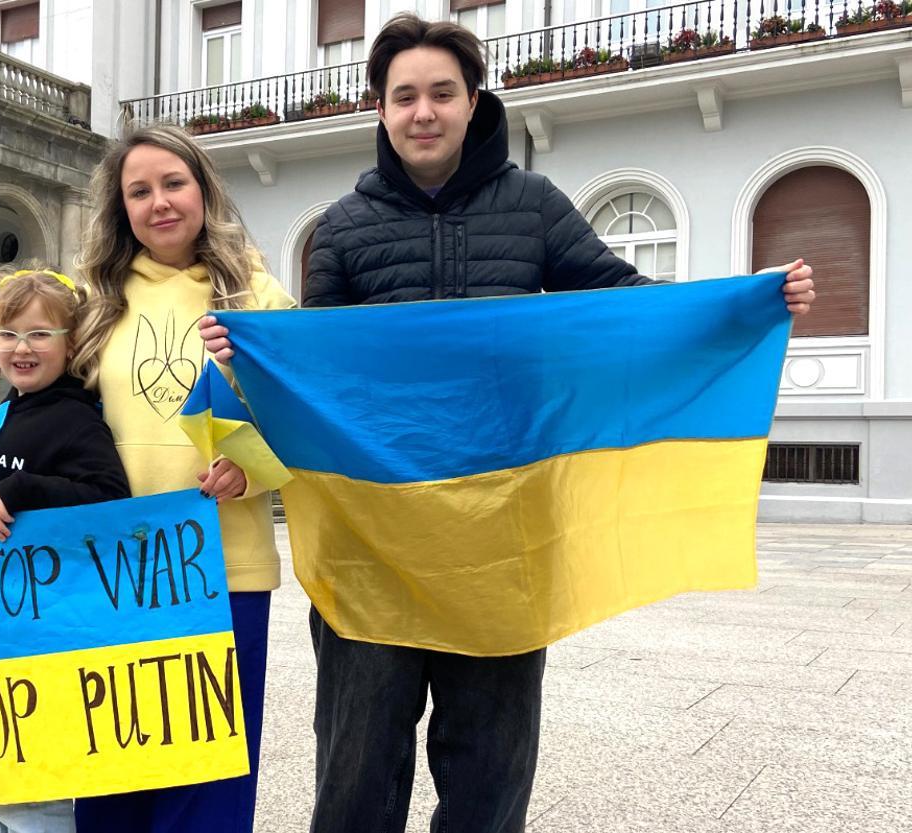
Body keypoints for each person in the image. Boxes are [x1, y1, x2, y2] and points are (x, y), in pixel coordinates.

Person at [198, 13, 817, 833]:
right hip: (372, 537)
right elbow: (319, 373)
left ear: (472, 100)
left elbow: (620, 302)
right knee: (356, 760)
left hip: (503, 535)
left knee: (490, 763)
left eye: (442, 94)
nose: (424, 112)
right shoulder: (343, 227)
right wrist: (245, 359)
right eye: (405, 95)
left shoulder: (533, 206)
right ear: (379, 109)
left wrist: (742, 303)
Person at [68, 123, 296, 833]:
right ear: (121, 207)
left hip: (222, 566)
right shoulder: (90, 300)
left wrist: (251, 471)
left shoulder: (253, 288)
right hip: (111, 568)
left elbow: (302, 409)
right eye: (140, 190)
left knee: (208, 775)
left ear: (202, 188)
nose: (159, 202)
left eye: (173, 183)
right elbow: (34, 412)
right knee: (113, 769)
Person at [0, 266, 130, 833]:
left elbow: (109, 498)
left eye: (39, 334)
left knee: (33, 801)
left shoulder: (75, 419)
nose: (21, 348)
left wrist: (28, 490)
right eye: (8, 334)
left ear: (71, 343)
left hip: (36, 644)